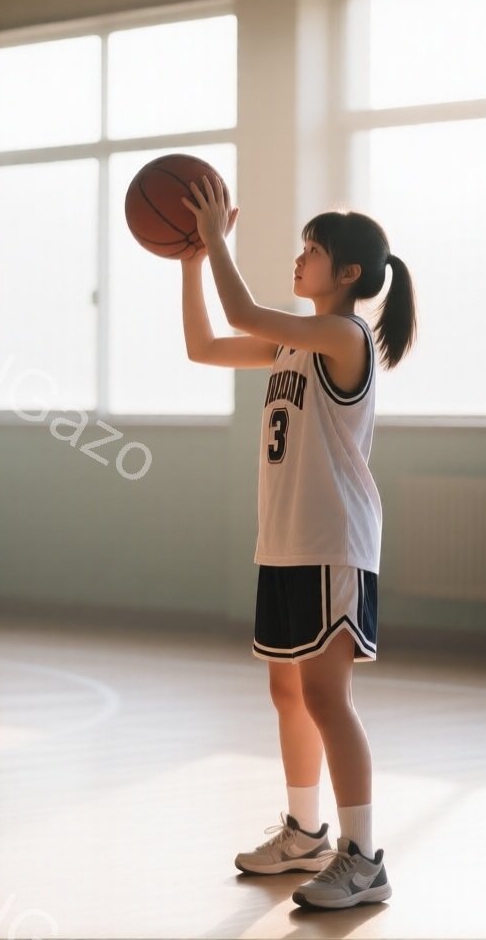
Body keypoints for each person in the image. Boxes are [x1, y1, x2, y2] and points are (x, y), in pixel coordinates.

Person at [179, 175, 416, 911]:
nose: (299, 257)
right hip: (285, 541)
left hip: (332, 540)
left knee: (325, 696)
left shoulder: (343, 336)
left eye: (311, 251)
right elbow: (204, 346)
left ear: (348, 273)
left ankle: (364, 859)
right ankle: (306, 834)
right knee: (288, 691)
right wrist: (190, 263)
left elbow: (242, 311)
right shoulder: (291, 346)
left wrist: (215, 239)